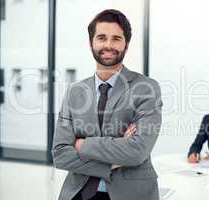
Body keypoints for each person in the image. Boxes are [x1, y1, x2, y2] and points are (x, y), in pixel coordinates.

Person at [52, 9, 162, 200]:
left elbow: (137, 151)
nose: (108, 45)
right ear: (91, 43)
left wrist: (82, 144)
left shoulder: (146, 88)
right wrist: (112, 161)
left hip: (131, 194)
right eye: (102, 37)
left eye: (116, 39)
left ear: (126, 45)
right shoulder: (74, 92)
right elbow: (60, 154)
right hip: (79, 192)